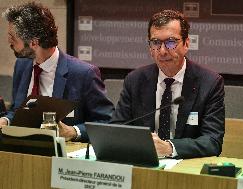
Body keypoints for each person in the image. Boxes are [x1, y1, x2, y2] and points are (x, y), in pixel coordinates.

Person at [111, 10, 225, 159]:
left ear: (186, 44)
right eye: (156, 43)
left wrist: (170, 148)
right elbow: (117, 129)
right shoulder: (135, 80)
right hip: (143, 163)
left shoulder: (209, 82)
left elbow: (212, 141)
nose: (163, 51)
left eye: (171, 42)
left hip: (185, 168)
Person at [0, 2, 114, 142]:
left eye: (12, 37)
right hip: (22, 153)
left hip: (62, 157)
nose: (9, 42)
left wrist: (73, 131)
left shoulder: (84, 74)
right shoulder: (21, 65)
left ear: (34, 43)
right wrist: (6, 120)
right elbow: (17, 110)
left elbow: (107, 122)